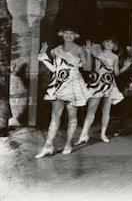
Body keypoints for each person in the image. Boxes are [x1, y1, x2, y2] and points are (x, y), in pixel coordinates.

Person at [35, 28, 91, 158]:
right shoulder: (56, 49)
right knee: (55, 117)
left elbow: (87, 67)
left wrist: (88, 52)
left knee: (72, 115)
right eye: (66, 33)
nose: (68, 36)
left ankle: (68, 144)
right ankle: (48, 146)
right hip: (59, 84)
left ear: (76, 36)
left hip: (73, 84)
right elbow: (55, 69)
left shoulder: (79, 49)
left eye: (71, 33)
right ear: (62, 35)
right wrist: (43, 57)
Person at [77, 37, 128, 144]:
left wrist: (125, 67)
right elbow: (88, 67)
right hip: (97, 83)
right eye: (107, 41)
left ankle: (103, 134)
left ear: (114, 46)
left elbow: (116, 73)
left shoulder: (115, 57)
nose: (109, 44)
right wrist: (87, 52)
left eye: (112, 42)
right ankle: (83, 134)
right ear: (103, 43)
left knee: (106, 110)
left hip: (109, 84)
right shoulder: (96, 52)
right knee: (91, 110)